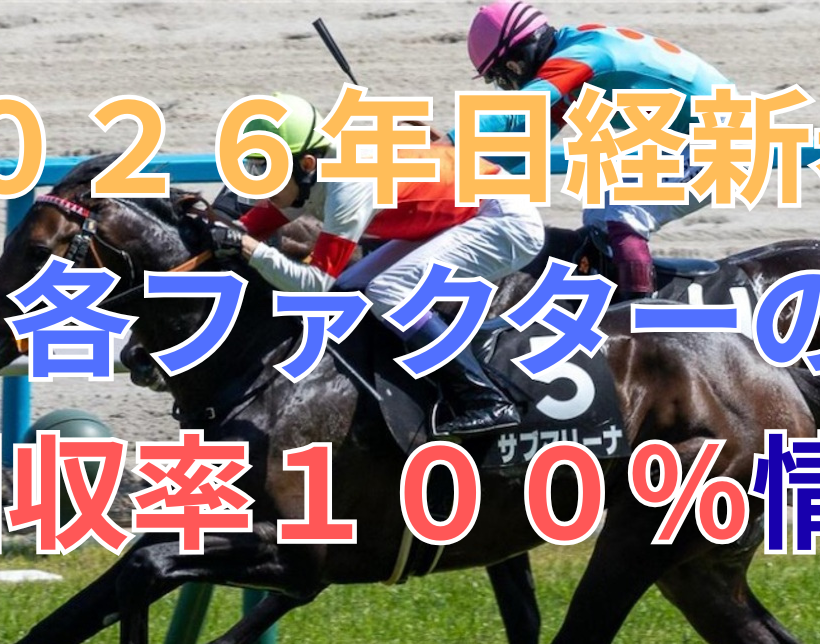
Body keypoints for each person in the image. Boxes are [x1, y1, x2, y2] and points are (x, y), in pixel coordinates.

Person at [203, 92, 545, 436]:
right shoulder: (309, 173)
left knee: (389, 293)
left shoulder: (348, 183)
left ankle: (485, 399)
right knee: (347, 291)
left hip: (502, 221)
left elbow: (313, 283)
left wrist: (249, 249)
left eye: (266, 169)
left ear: (306, 163)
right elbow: (243, 227)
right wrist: (201, 221)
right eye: (255, 168)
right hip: (455, 216)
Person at [457, 1, 735, 300]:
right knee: (599, 213)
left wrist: (447, 145)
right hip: (701, 134)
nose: (507, 86)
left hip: (726, 137)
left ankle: (639, 311)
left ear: (519, 58)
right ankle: (624, 287)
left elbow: (516, 110)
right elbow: (516, 150)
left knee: (623, 209)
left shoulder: (580, 57)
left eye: (502, 76)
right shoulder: (571, 67)